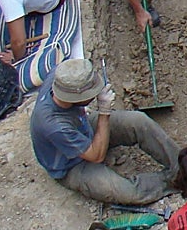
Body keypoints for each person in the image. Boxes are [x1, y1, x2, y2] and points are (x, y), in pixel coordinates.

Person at [29, 58, 179, 204]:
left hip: (83, 127)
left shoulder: (62, 77)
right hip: (72, 165)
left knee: (138, 121)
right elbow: (96, 155)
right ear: (74, 97)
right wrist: (104, 112)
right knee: (129, 192)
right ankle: (176, 180)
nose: (96, 93)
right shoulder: (55, 125)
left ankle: (182, 165)